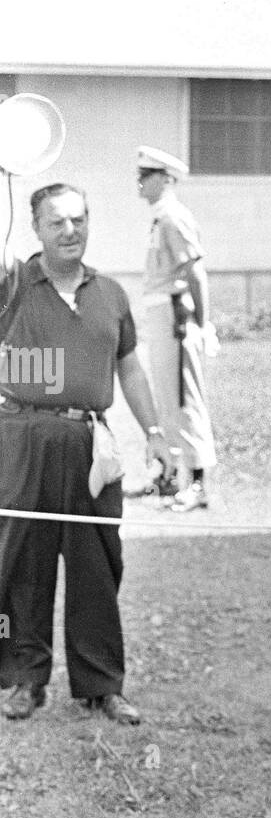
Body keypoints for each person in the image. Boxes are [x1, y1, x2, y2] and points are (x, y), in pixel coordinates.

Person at [0, 183, 172, 722]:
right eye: (57, 222)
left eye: (79, 219)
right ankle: (25, 679)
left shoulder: (111, 294)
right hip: (24, 437)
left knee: (98, 560)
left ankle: (101, 683)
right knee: (23, 560)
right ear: (36, 228)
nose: (70, 230)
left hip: (91, 442)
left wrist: (156, 432)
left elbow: (130, 368)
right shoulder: (11, 286)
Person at [136, 145, 217, 512]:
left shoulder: (173, 217)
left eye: (146, 175)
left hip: (176, 316)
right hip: (160, 314)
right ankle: (169, 476)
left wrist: (203, 324)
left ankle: (198, 484)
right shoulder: (159, 217)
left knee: (185, 399)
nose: (139, 182)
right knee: (166, 399)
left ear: (166, 179)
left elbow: (194, 272)